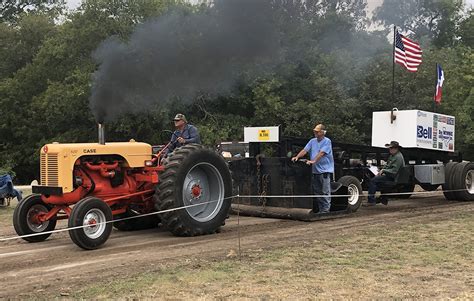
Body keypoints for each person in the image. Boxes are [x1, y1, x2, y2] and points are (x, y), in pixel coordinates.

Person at [291, 124, 334, 214]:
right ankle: (321, 209)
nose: (315, 133)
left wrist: (313, 161)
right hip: (315, 171)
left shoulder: (327, 141)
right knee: (317, 191)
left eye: (317, 132)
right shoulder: (312, 141)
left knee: (325, 191)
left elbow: (322, 153)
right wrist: (297, 157)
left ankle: (325, 210)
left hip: (325, 170)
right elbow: (305, 150)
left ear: (322, 132)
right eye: (315, 131)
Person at [365, 140, 405, 206]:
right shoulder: (393, 156)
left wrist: (384, 171)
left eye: (391, 148)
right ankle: (383, 198)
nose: (389, 149)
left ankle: (371, 201)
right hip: (390, 176)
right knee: (374, 178)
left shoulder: (398, 157)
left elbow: (394, 171)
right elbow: (387, 165)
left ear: (396, 148)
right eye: (389, 148)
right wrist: (381, 170)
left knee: (373, 181)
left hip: (393, 178)